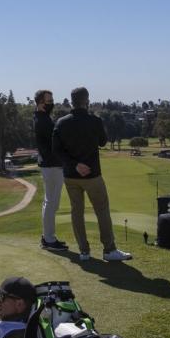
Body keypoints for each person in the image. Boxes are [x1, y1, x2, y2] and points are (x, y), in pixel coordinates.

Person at [52, 87, 132, 262]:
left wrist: (74, 164)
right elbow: (103, 142)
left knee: (77, 212)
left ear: (71, 101)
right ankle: (109, 250)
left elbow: (56, 150)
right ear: (86, 100)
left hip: (71, 176)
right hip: (92, 175)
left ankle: (84, 251)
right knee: (102, 211)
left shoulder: (61, 123)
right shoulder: (94, 120)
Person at [33, 89, 68, 251]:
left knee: (51, 203)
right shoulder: (43, 121)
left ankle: (48, 237)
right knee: (51, 203)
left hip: (51, 165)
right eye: (48, 101)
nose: (51, 103)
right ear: (40, 103)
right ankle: (48, 239)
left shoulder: (43, 118)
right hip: (52, 165)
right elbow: (55, 143)